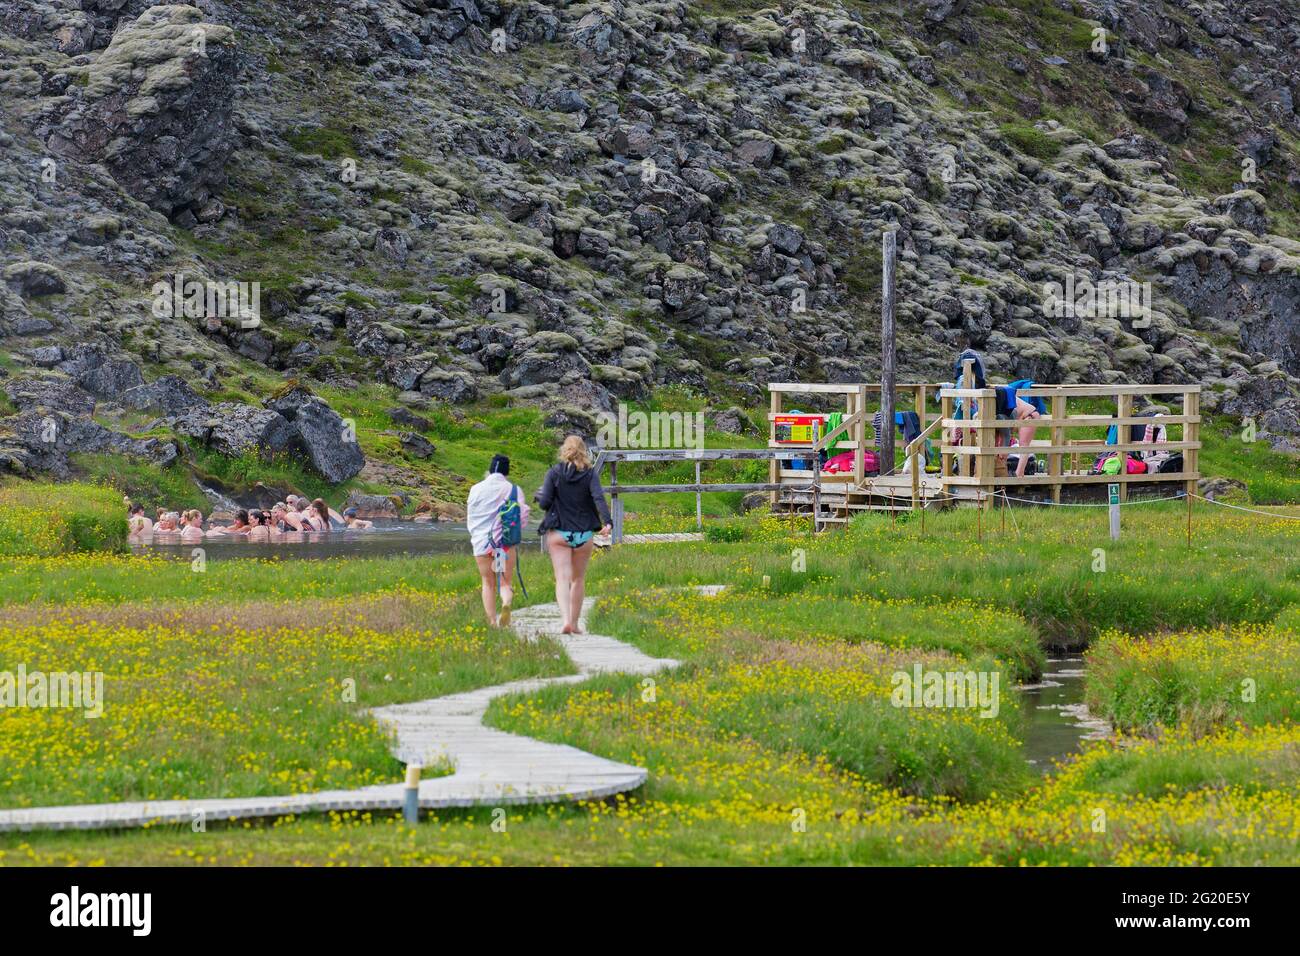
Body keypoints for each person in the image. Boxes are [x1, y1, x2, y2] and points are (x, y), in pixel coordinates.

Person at [535, 436, 611, 635]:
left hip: (559, 533)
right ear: (584, 451)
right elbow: (598, 497)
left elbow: (544, 503)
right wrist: (608, 521)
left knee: (562, 579)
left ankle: (566, 620)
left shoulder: (554, 473)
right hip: (584, 533)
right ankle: (575, 624)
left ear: (564, 450)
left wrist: (541, 497)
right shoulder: (590, 474)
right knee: (578, 579)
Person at [467, 454, 530, 628]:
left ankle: (492, 621)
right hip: (503, 547)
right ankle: (506, 605)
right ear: (506, 471)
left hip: (482, 544)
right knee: (505, 582)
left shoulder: (475, 489)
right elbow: (522, 519)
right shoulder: (512, 489)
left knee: (487, 582)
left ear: (490, 468)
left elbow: (471, 517)